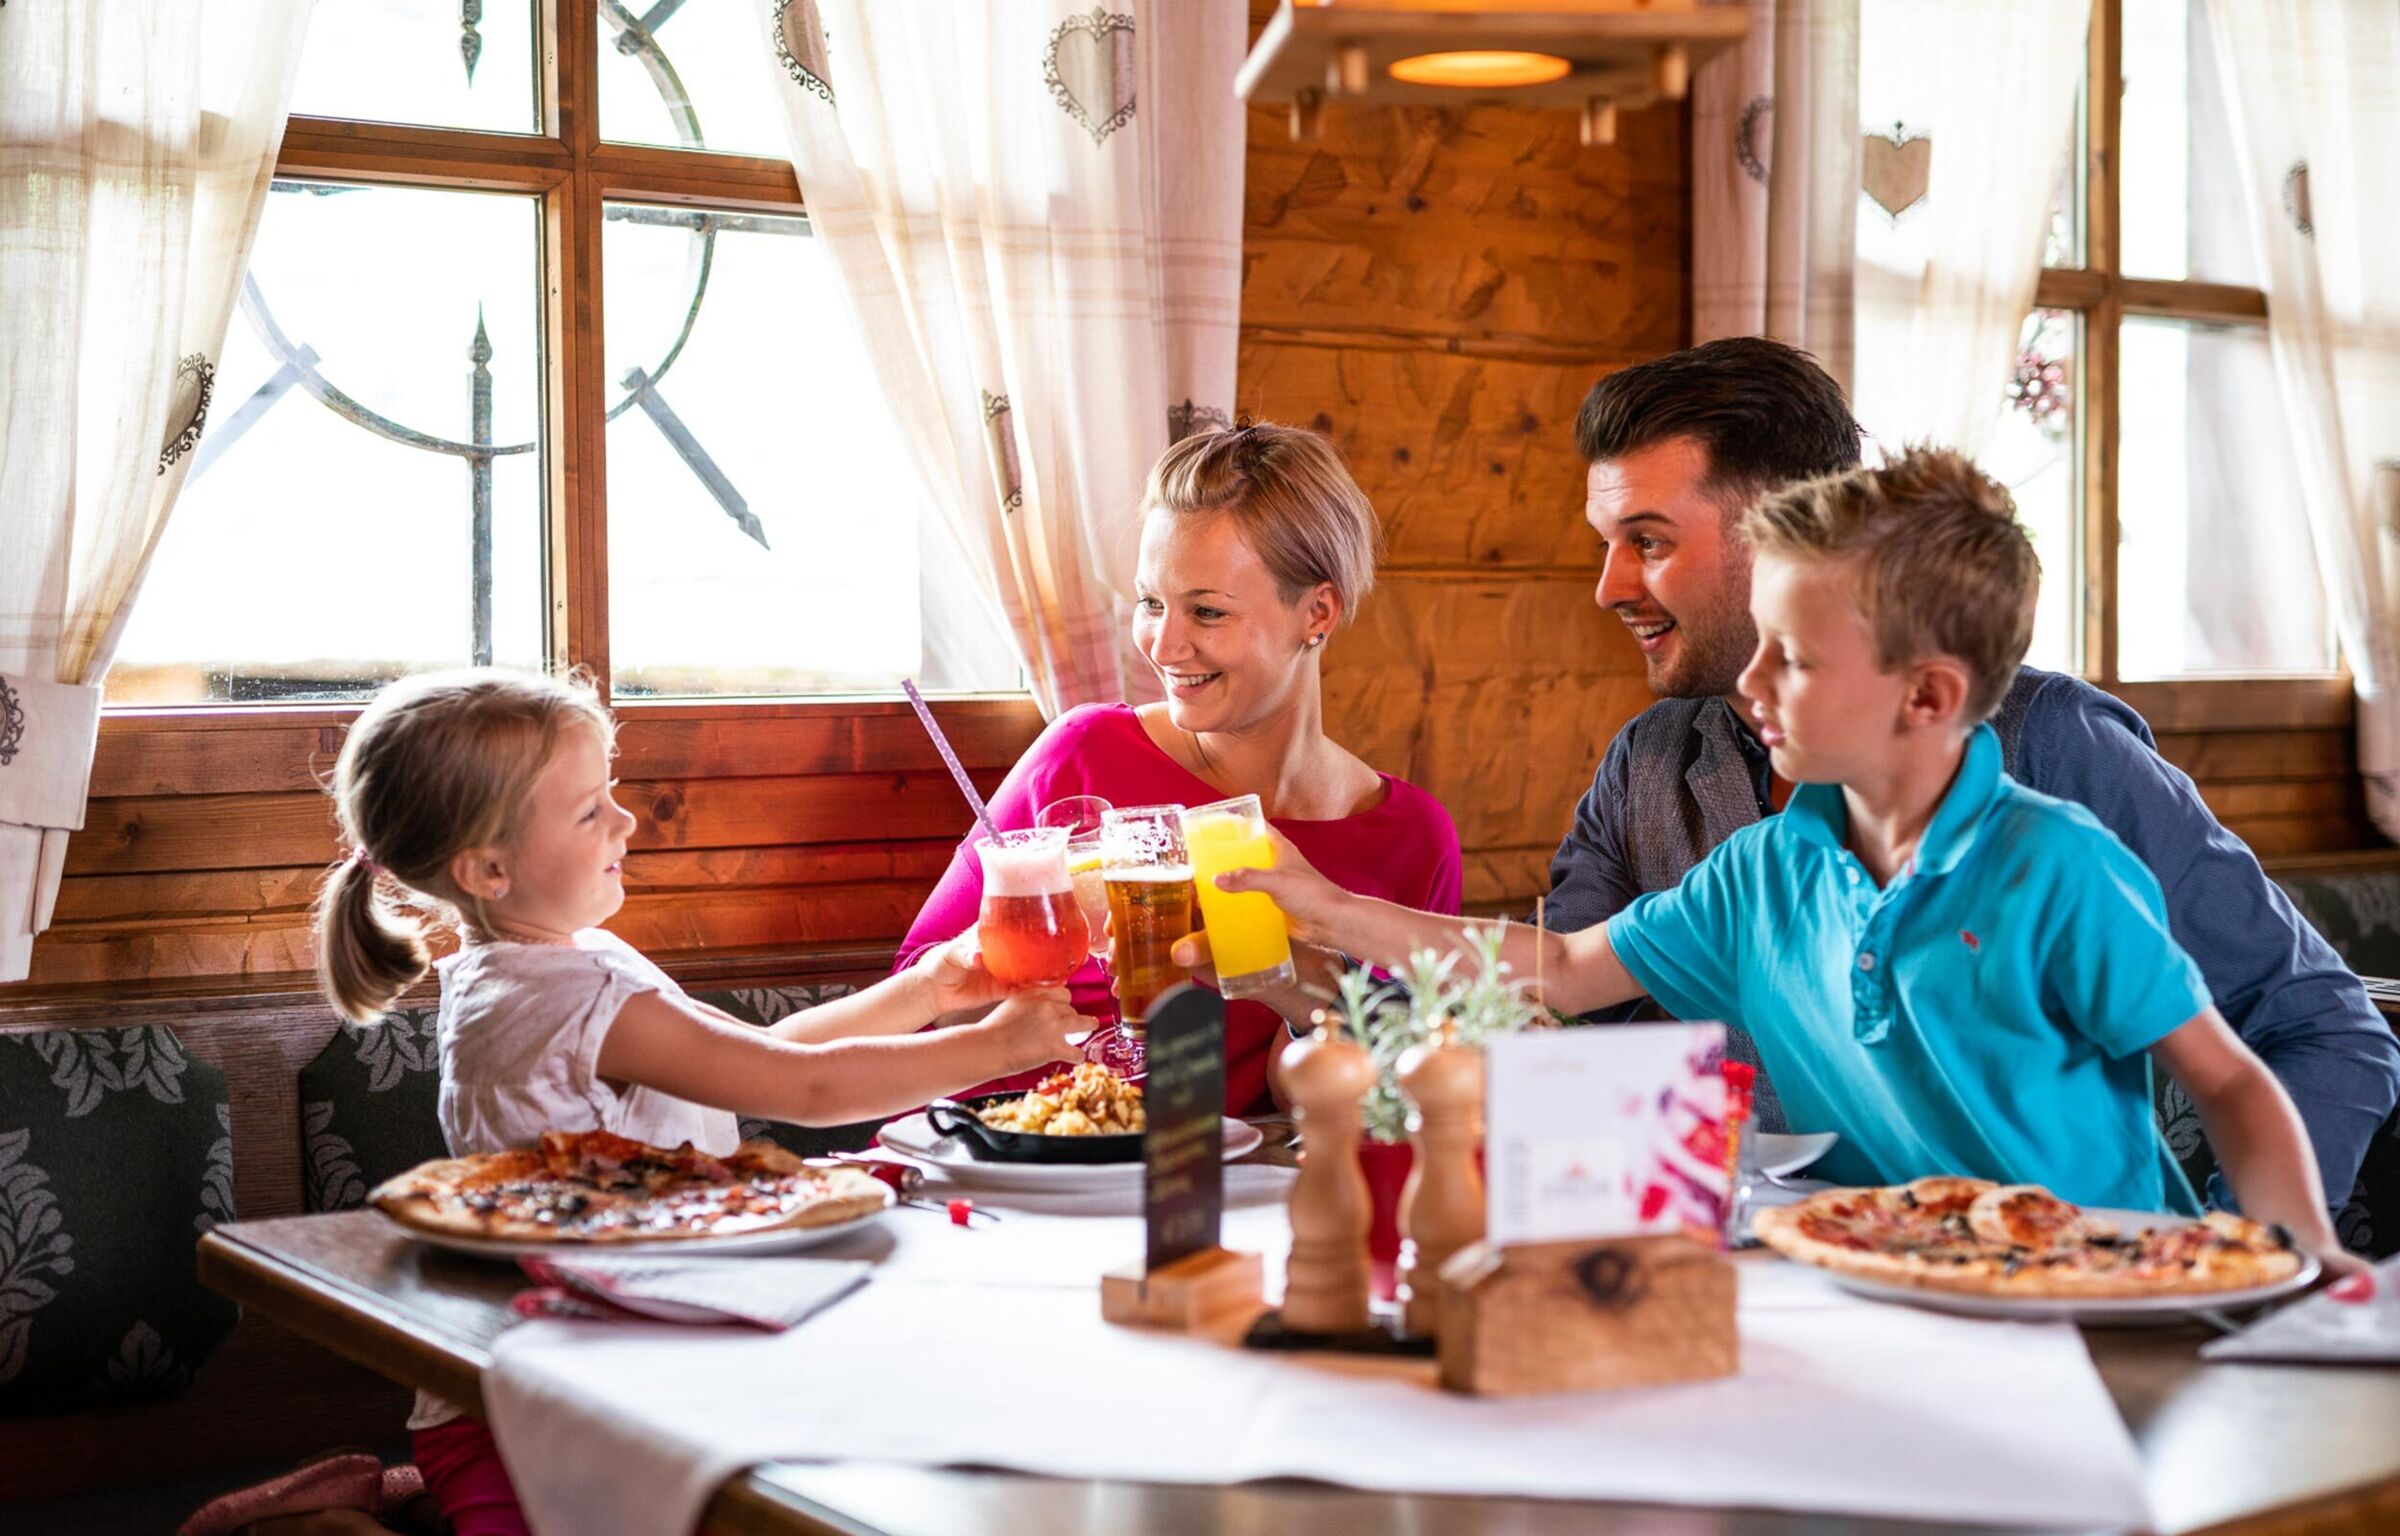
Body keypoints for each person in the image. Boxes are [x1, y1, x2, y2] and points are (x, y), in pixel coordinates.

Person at [1221, 449, 2360, 1275]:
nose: (1752, 682)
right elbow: (1560, 968)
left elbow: (2231, 1082)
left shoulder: (2060, 865)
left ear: (1928, 696)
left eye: (1794, 657)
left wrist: (2292, 1268)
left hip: (2096, 1295)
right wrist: (1324, 906)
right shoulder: (1763, 871)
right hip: (1878, 1285)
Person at [1548, 336, 2398, 1214]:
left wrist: (2236, 1269)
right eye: (1608, 543)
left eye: (1646, 541)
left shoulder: (2059, 749)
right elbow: (1559, 1002)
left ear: (1785, 530)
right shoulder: (1646, 765)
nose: (1607, 586)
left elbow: (2319, 1026)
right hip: (1777, 1294)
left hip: (2057, 1293)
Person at [314, 669, 1083, 1536]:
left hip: (629, 1345)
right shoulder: (559, 998)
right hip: (521, 1399)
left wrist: (929, 995)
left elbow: (764, 1058)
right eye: (589, 810)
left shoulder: (560, 964)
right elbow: (806, 1090)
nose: (627, 821)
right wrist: (993, 1047)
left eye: (612, 795)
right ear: (488, 868)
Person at [895, 424, 1462, 1116]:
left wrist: (1299, 982)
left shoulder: (1411, 840)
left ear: (1316, 613)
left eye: (1206, 611)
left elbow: (1393, 1108)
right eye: (1150, 602)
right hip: (987, 1170)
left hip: (1222, 1199)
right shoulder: (1084, 753)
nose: (1163, 644)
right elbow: (912, 1007)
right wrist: (1037, 932)